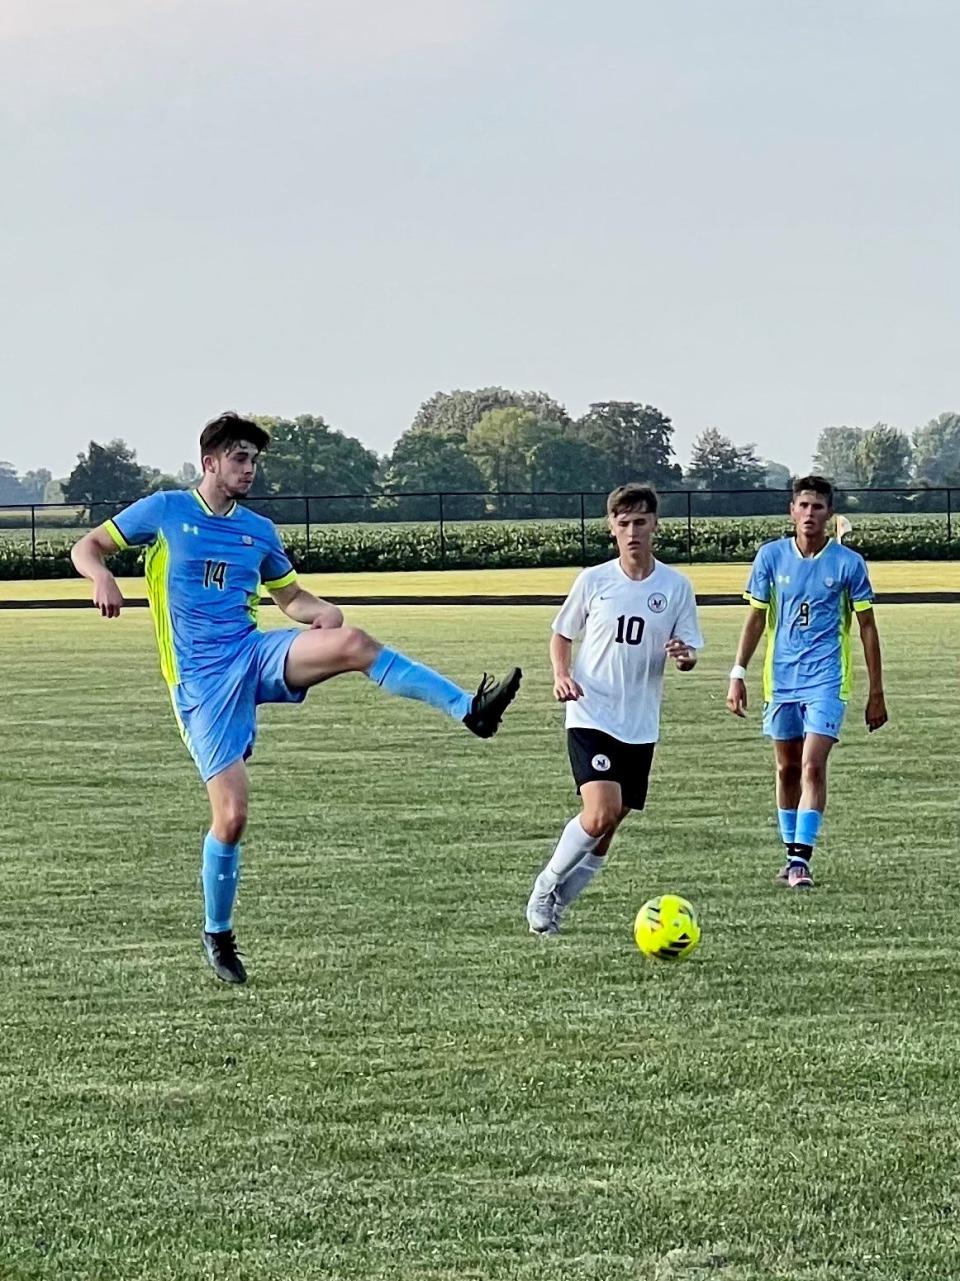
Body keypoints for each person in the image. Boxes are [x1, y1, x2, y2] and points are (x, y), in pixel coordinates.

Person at [71, 411, 522, 983]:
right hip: (201, 684)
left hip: (252, 653)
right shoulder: (165, 511)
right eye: (240, 458)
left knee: (354, 642)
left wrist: (322, 614)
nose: (250, 468)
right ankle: (218, 934)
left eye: (255, 460)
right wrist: (101, 577)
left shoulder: (259, 531)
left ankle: (469, 709)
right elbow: (86, 546)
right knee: (231, 818)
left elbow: (292, 598)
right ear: (209, 461)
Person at [525, 483, 703, 936]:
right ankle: (545, 887)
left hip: (640, 723)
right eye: (623, 524)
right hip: (592, 712)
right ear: (612, 529)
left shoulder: (675, 586)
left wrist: (684, 656)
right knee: (601, 811)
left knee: (610, 824)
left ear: (654, 525)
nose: (632, 532)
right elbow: (561, 634)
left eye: (640, 522)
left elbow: (690, 653)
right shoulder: (594, 580)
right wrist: (561, 675)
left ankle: (560, 902)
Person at [726, 475, 888, 888]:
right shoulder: (771, 557)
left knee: (814, 766)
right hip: (780, 680)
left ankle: (800, 861)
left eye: (818, 507)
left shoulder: (849, 564)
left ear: (829, 513)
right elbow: (757, 618)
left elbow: (867, 626)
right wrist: (738, 673)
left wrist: (876, 692)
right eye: (803, 506)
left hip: (827, 681)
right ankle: (790, 854)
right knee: (786, 769)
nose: (810, 514)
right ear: (792, 511)